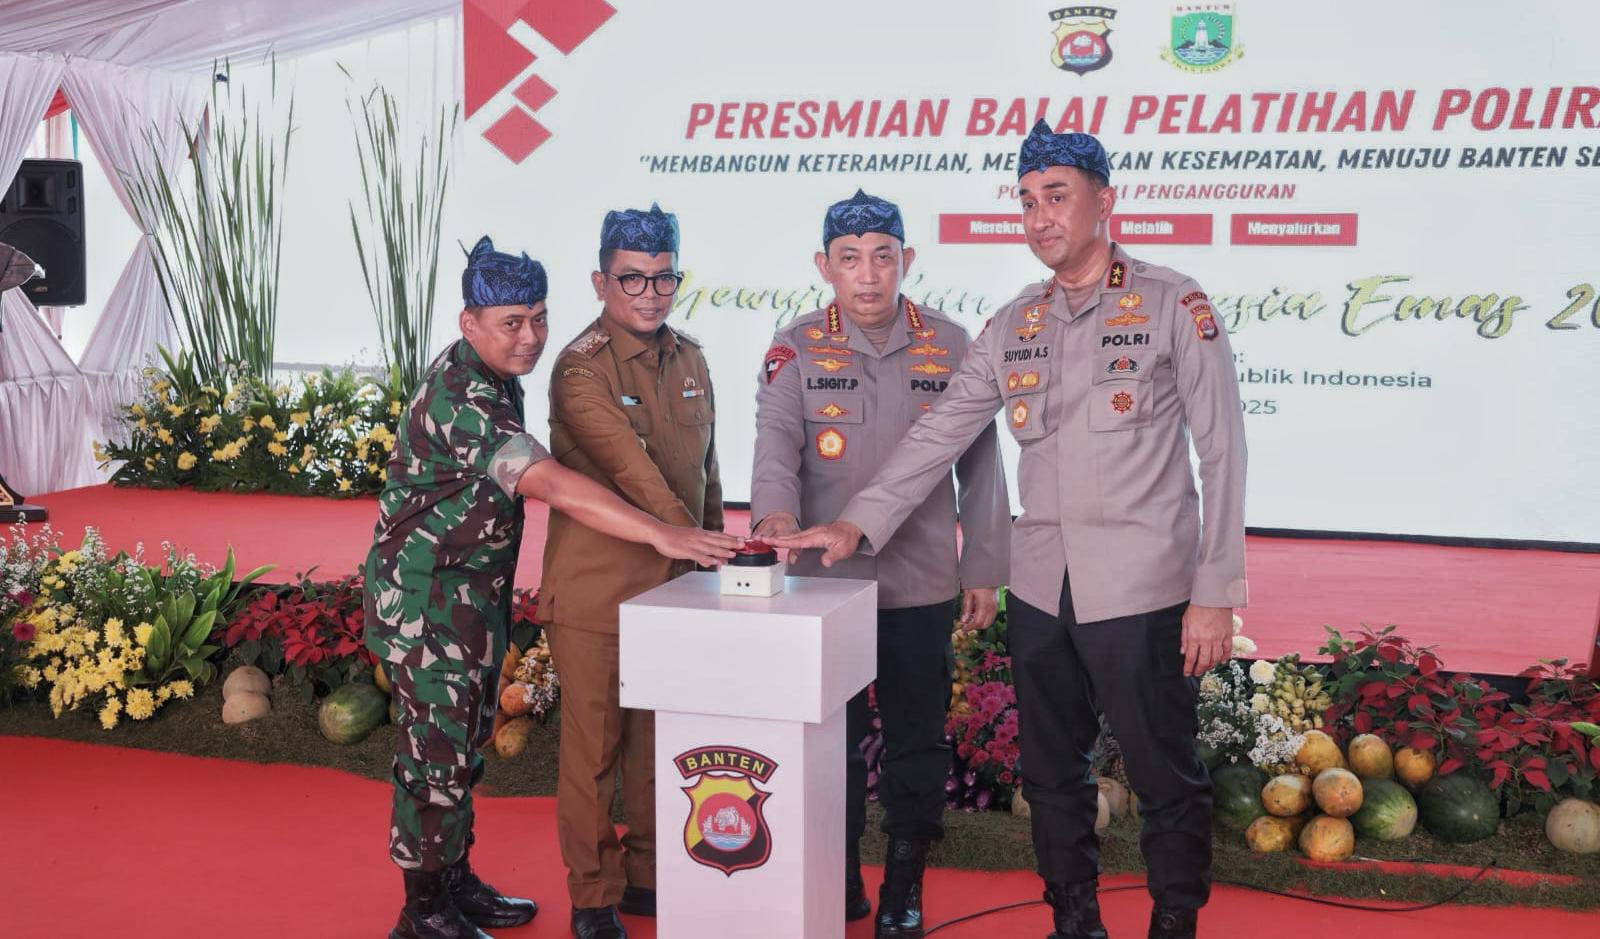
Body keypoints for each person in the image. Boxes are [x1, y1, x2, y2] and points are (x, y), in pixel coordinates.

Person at [770, 121, 1248, 939]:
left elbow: (1223, 450)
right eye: (1027, 202)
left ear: (1105, 201)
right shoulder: (1014, 321)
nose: (1039, 217)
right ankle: (1073, 919)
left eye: (1056, 197)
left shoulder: (1174, 302)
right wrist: (856, 524)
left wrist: (1215, 592)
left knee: (1165, 776)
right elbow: (939, 434)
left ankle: (1174, 920)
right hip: (1040, 589)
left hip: (1142, 587)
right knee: (1050, 775)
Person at [364, 237, 741, 939]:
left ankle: (454, 880)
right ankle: (423, 910)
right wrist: (662, 533)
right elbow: (551, 484)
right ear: (469, 322)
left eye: (538, 318)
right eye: (512, 322)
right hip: (424, 602)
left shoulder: (493, 372)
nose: (531, 336)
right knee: (434, 756)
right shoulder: (463, 396)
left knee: (464, 742)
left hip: (468, 595)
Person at [750, 189, 1010, 936]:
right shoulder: (796, 345)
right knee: (828, 743)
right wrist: (773, 518)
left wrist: (983, 566)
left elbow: (982, 468)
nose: (867, 274)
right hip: (823, 587)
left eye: (883, 257)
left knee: (916, 741)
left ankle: (904, 882)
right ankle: (835, 875)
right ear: (824, 265)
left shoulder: (952, 343)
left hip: (917, 581)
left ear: (907, 260)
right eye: (850, 259)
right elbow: (775, 445)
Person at [537, 204, 725, 939]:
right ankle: (592, 895)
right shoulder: (579, 368)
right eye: (632, 278)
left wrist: (715, 559)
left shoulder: (691, 357)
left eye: (663, 277)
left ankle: (648, 875)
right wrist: (695, 542)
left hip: (674, 589)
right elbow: (633, 472)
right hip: (597, 594)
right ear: (600, 281)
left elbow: (708, 474)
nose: (650, 293)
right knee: (594, 752)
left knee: (656, 741)